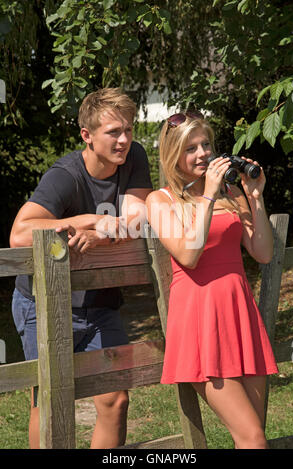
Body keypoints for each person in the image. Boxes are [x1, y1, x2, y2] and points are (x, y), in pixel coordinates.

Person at [9, 87, 153, 449]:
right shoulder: (65, 175)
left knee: (115, 398)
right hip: (43, 304)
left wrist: (102, 234)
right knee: (51, 402)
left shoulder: (134, 156)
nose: (124, 139)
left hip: (100, 300)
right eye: (113, 132)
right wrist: (88, 220)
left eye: (129, 129)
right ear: (86, 136)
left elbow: (137, 221)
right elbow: (18, 234)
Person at [146, 111, 278, 449]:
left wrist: (255, 196)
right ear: (172, 154)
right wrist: (207, 196)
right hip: (199, 321)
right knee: (254, 439)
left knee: (250, 436)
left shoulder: (231, 194)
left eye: (206, 144)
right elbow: (189, 256)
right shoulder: (162, 201)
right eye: (191, 148)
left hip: (240, 316)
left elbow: (262, 252)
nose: (203, 153)